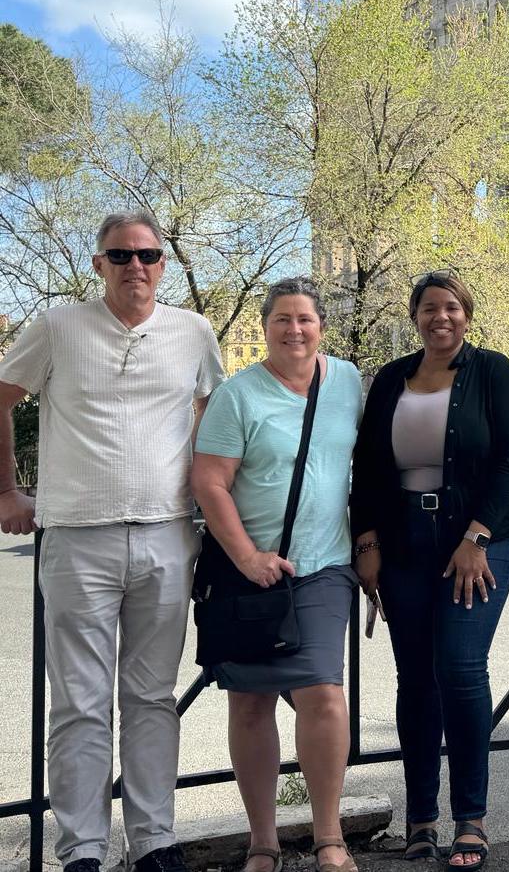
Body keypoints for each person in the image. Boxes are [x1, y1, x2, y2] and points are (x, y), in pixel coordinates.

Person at [0, 210, 224, 872]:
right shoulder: (58, 326)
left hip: (166, 536)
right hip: (76, 541)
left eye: (149, 255)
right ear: (98, 264)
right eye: (121, 256)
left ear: (162, 262)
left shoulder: (194, 332)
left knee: (153, 698)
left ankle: (154, 838)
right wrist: (7, 491)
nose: (137, 267)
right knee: (79, 703)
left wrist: (206, 489)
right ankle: (83, 851)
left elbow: (216, 411)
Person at [351, 271, 509, 868]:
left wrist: (476, 534)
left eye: (451, 307)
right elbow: (369, 463)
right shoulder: (392, 379)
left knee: (460, 667)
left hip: (477, 541)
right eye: (429, 308)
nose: (440, 317)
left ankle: (470, 818)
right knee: (415, 679)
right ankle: (421, 818)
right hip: (402, 541)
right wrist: (366, 539)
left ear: (467, 315)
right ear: (415, 316)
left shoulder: (493, 371)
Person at [191, 278, 363, 872]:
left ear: (322, 326)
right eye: (282, 320)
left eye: (305, 319)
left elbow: (366, 465)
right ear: (265, 328)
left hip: (321, 565)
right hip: (248, 569)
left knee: (322, 692)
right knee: (251, 701)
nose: (294, 330)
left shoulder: (347, 382)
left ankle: (328, 836)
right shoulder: (238, 395)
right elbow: (209, 479)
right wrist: (245, 556)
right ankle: (262, 840)